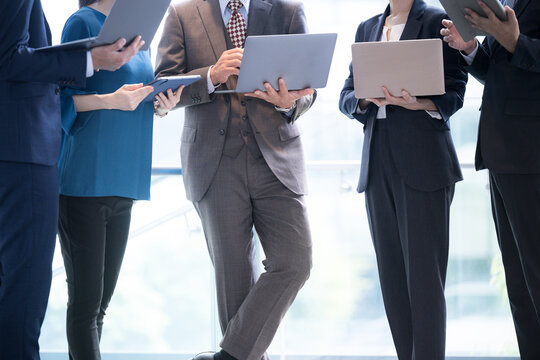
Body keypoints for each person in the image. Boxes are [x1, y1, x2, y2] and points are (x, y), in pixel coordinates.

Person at [155, 1, 315, 359]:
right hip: (213, 162)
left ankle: (227, 358)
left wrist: (290, 102)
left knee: (295, 261)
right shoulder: (182, 13)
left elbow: (309, 89)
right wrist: (209, 75)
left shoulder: (288, 10)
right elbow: (161, 89)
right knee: (234, 283)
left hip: (276, 157)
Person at [0, 0, 144, 358]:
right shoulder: (82, 22)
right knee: (25, 290)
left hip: (43, 153)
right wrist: (91, 61)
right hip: (26, 150)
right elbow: (11, 59)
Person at [339, 0, 467, 359]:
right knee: (393, 282)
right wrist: (363, 101)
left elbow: (456, 89)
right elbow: (345, 96)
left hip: (424, 163)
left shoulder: (437, 21)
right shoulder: (367, 28)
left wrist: (418, 102)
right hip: (378, 163)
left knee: (425, 283)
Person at [55, 1, 183, 359]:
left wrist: (160, 102)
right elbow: (59, 99)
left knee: (100, 308)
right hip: (84, 180)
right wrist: (111, 100)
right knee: (85, 307)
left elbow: (133, 94)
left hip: (125, 178)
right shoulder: (81, 23)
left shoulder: (138, 31)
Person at [441, 0, 540, 358]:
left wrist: (515, 41)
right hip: (502, 152)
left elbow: (523, 52)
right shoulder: (508, 2)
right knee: (520, 288)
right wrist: (471, 49)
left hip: (531, 154)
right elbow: (501, 71)